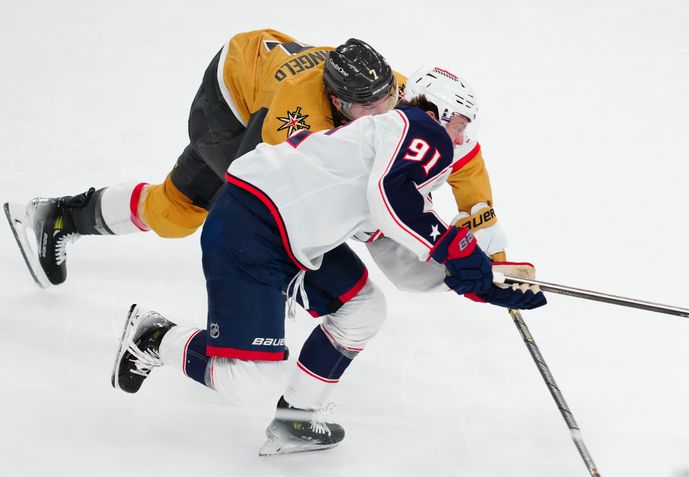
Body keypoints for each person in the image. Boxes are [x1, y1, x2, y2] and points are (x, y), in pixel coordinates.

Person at [111, 85, 547, 456]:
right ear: (437, 108)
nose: (462, 137)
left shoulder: (395, 161)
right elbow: (391, 199)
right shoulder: (416, 127)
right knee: (245, 379)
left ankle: (293, 419)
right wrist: (456, 249)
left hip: (290, 239)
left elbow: (403, 262)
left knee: (364, 308)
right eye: (460, 123)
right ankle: (152, 335)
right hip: (251, 226)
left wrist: (478, 282)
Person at [4, 31, 509, 290]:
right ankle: (66, 214)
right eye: (368, 110)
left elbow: (458, 156)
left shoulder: (390, 89)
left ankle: (60, 215)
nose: (385, 115)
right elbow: (282, 195)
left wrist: (483, 224)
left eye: (389, 102)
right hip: (233, 100)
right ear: (337, 103)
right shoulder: (294, 116)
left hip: (266, 60)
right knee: (184, 213)